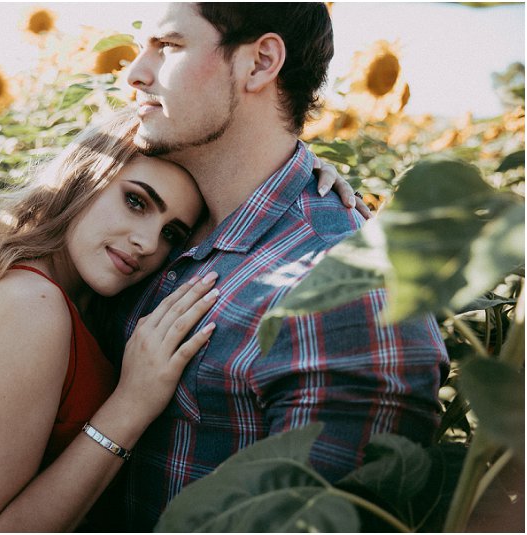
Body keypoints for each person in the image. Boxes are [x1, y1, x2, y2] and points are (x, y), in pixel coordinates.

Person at [0, 110, 360, 532]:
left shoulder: (80, 298)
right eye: (136, 201)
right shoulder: (29, 304)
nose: (147, 242)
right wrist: (132, 405)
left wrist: (306, 185)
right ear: (83, 177)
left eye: (172, 233)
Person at [112, 3, 450, 529]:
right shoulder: (151, 202)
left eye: (170, 46)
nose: (134, 72)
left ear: (260, 62)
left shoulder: (346, 292)